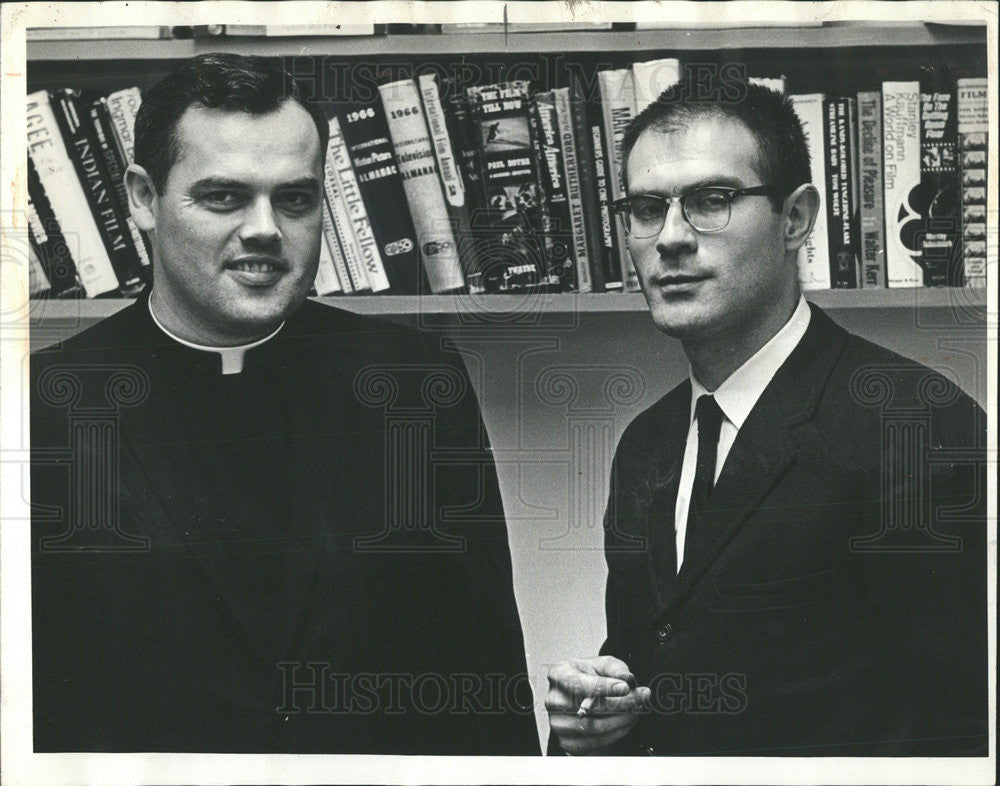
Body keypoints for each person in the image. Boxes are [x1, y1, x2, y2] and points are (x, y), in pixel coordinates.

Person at [31, 54, 539, 755]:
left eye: (294, 199)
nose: (266, 229)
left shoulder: (417, 383)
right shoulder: (38, 406)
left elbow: (485, 676)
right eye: (224, 197)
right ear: (143, 199)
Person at [546, 73, 987, 756]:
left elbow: (964, 739)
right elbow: (651, 672)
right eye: (644, 208)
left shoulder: (918, 427)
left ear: (797, 219)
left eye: (711, 200)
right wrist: (596, 727)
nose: (670, 238)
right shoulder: (648, 444)